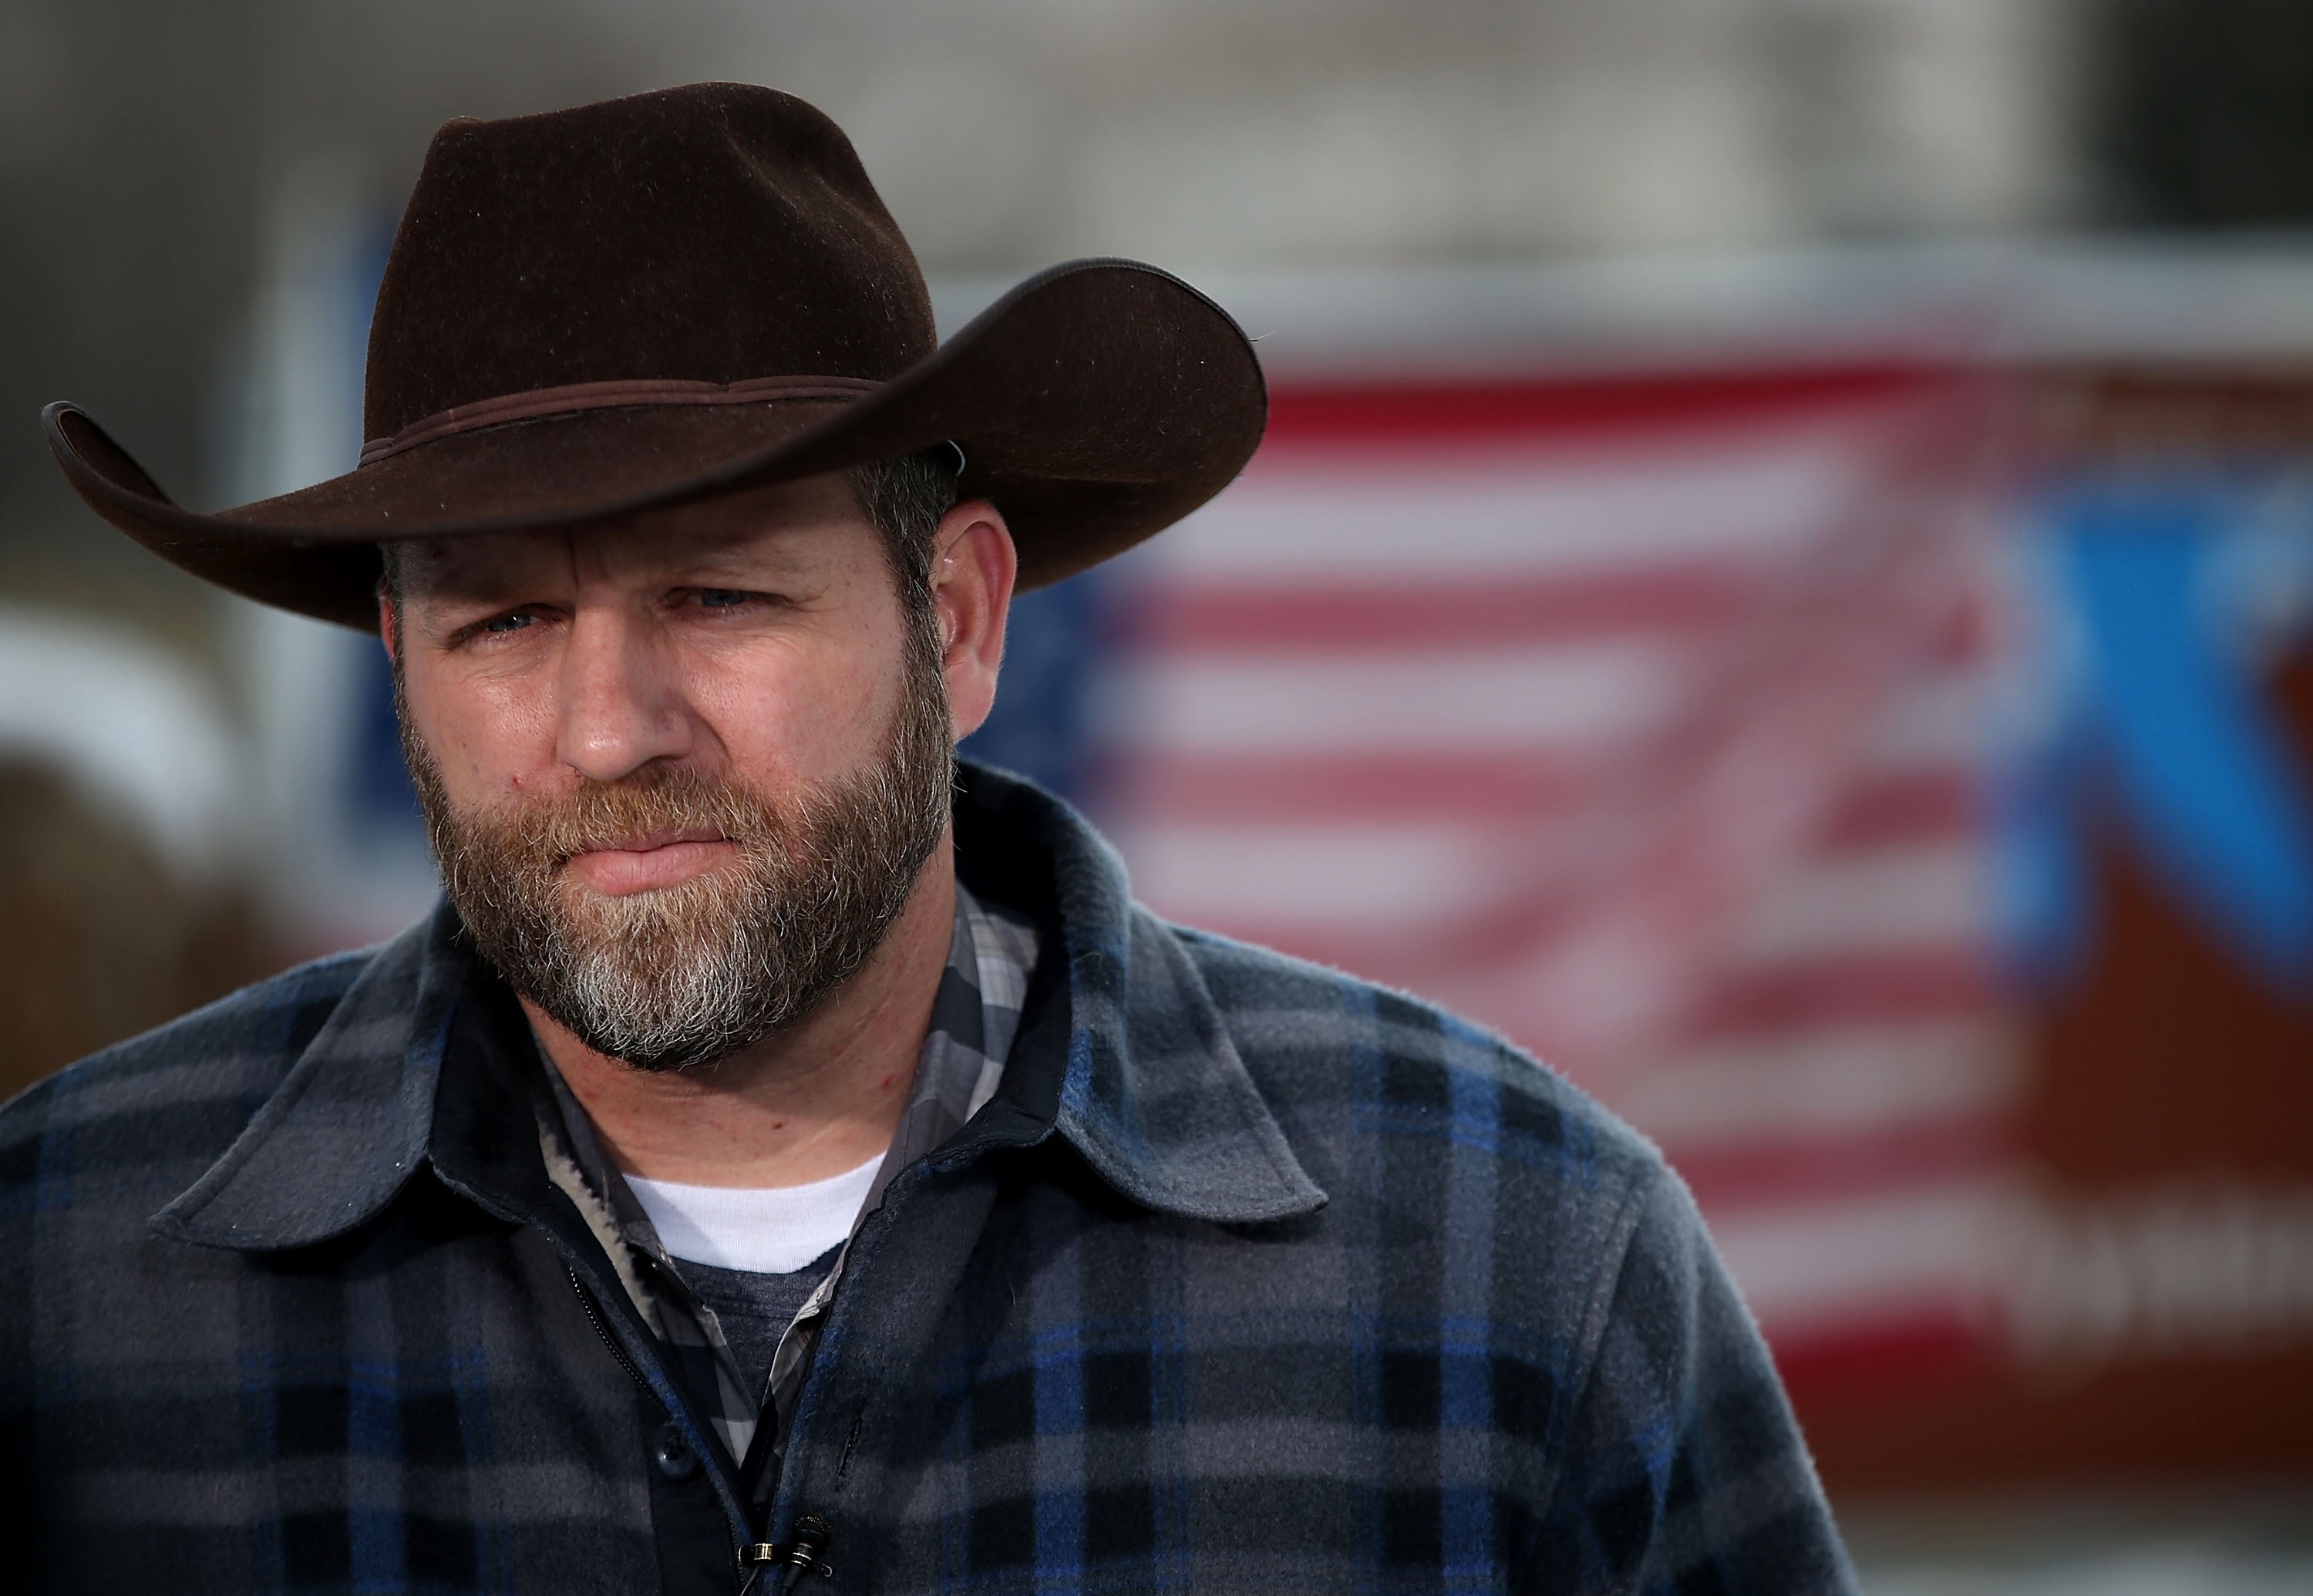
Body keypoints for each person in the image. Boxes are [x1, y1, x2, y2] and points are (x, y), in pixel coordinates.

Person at [10, 83, 1857, 1594]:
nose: (607, 727)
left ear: (960, 622)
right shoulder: (61, 1287)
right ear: (399, 666)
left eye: (722, 596)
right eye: (502, 623)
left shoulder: (1512, 1261)